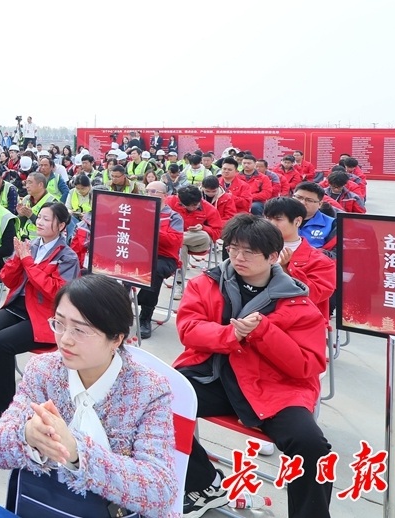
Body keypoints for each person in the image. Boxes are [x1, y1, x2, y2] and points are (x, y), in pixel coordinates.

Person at [174, 214, 331, 518]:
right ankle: (204, 484)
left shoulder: (298, 303)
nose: (238, 257)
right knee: (154, 402)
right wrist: (230, 335)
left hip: (274, 389)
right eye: (233, 248)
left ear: (273, 257)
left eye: (249, 252)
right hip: (214, 375)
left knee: (311, 446)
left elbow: (307, 365)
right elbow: (188, 329)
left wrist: (264, 333)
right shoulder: (207, 283)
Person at [0, 274, 178, 518]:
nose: (65, 339)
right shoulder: (43, 370)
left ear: (116, 339)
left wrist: (77, 452)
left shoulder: (148, 390)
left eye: (80, 330)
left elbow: (160, 491)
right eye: (59, 323)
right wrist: (26, 434)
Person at [0, 202, 80, 435]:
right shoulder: (30, 246)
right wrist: (17, 259)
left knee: (3, 342)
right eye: (39, 217)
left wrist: (28, 261)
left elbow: (56, 292)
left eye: (46, 219)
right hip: (18, 307)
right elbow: (8, 280)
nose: (39, 222)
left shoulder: (67, 256)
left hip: (46, 316)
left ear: (61, 226)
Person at [137, 182, 184, 339]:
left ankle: (145, 315)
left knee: (154, 271)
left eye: (153, 191)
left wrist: (153, 228)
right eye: (146, 191)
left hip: (164, 257)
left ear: (165, 196)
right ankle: (118, 309)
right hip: (139, 253)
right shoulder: (138, 211)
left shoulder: (174, 217)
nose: (148, 194)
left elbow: (174, 242)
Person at [167, 185, 224, 295]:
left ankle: (175, 239)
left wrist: (203, 227)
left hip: (199, 242)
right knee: (181, 247)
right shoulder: (171, 202)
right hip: (179, 243)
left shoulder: (208, 208)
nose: (195, 207)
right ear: (182, 203)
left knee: (204, 236)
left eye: (196, 204)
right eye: (191, 206)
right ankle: (179, 283)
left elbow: (218, 232)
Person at [293, 182, 337, 250]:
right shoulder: (280, 219)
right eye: (299, 197)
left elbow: (335, 253)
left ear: (320, 204)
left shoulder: (332, 225)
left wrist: (310, 252)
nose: (302, 202)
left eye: (309, 200)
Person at [16, 172, 58, 241]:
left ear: (40, 185)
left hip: (42, 241)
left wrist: (31, 215)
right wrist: (21, 215)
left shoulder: (52, 202)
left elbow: (52, 227)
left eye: (30, 183)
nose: (27, 186)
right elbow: (21, 224)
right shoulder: (26, 198)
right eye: (26, 183)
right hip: (24, 238)